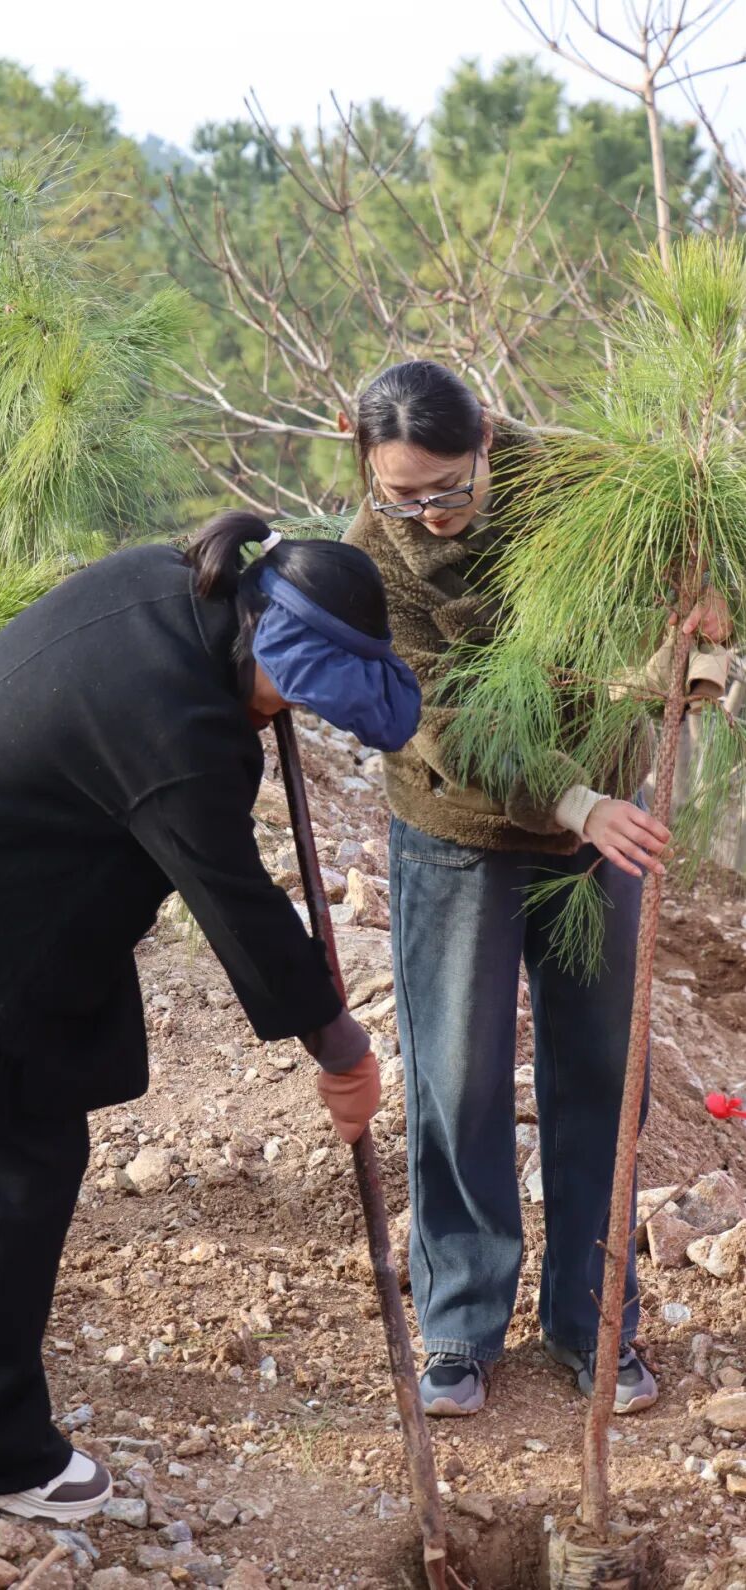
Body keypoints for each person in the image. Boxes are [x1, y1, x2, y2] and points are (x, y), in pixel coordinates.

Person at [0, 511, 419, 1521]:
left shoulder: (170, 581)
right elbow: (237, 906)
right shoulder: (182, 729)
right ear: (259, 638)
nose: (294, 713)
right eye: (296, 689)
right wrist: (339, 1046)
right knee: (29, 1170)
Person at [343, 360, 731, 1419]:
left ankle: (594, 1322)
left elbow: (699, 548)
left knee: (602, 1071)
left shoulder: (577, 484)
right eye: (400, 494)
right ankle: (459, 1328)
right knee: (456, 1077)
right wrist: (574, 803)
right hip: (458, 833)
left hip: (602, 830)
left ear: (485, 441)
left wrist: (706, 612)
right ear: (366, 467)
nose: (427, 514)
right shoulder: (369, 560)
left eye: (448, 488)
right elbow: (443, 721)